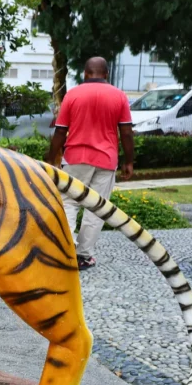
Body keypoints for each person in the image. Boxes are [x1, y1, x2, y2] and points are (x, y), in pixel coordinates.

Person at [45, 57, 135, 270]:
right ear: (106, 74)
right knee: (97, 208)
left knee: (68, 203)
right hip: (106, 159)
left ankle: (65, 251)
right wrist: (129, 160)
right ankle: (84, 256)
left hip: (75, 158)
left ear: (85, 73)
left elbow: (60, 130)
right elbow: (127, 132)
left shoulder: (72, 95)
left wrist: (50, 158)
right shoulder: (119, 96)